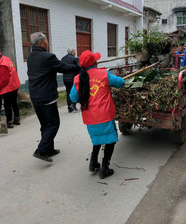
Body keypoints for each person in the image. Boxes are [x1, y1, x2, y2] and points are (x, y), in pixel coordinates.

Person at [70, 50, 124, 179]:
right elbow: (121, 83)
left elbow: (73, 97)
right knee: (110, 140)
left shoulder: (78, 78)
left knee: (97, 138)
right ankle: (105, 168)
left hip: (90, 117)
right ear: (94, 62)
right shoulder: (103, 73)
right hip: (105, 115)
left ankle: (93, 163)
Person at [27, 32, 80, 163]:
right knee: (53, 123)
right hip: (46, 96)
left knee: (45, 124)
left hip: (35, 95)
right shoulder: (48, 57)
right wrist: (79, 67)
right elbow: (64, 68)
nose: (47, 43)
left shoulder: (31, 57)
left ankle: (49, 149)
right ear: (40, 43)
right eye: (46, 41)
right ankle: (41, 150)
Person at [0, 50, 21, 128]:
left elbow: (4, 80)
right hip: (14, 84)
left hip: (8, 87)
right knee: (14, 103)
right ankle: (17, 119)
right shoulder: (6, 59)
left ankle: (9, 122)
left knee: (7, 105)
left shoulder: (2, 65)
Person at [61, 48, 79, 113]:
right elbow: (78, 68)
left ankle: (69, 107)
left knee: (68, 92)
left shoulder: (63, 59)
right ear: (72, 52)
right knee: (74, 92)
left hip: (65, 79)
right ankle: (73, 105)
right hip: (72, 78)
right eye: (74, 51)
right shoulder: (74, 59)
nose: (75, 52)